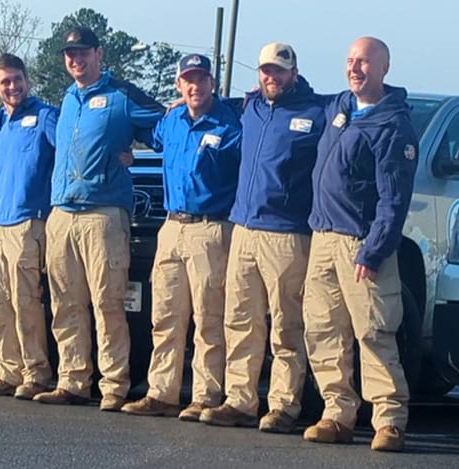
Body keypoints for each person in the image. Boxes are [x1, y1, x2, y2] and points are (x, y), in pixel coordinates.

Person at [32, 26, 165, 411]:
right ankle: (73, 380)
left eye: (84, 52)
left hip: (103, 215)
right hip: (63, 214)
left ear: (99, 54)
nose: (76, 59)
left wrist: (133, 151)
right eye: (70, 54)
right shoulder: (68, 99)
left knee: (108, 304)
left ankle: (113, 384)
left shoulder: (121, 95)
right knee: (65, 303)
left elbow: (164, 127)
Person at [200, 43, 325, 432]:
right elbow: (214, 108)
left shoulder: (315, 112)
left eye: (279, 70)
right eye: (265, 70)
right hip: (244, 230)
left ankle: (284, 407)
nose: (272, 77)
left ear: (294, 71)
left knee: (287, 325)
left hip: (288, 235)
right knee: (240, 320)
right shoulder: (251, 107)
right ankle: (240, 399)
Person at [302, 37, 417, 453]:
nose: (355, 68)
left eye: (364, 62)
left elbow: (394, 199)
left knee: (374, 332)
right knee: (324, 331)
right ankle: (337, 414)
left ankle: (389, 420)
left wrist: (374, 250)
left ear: (384, 68)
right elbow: (294, 98)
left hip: (361, 246)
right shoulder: (340, 108)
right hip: (323, 239)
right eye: (350, 61)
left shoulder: (393, 125)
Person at [121, 54, 241, 419]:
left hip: (211, 227)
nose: (195, 86)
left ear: (212, 83)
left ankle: (205, 396)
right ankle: (162, 392)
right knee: (165, 315)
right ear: (179, 84)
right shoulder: (171, 120)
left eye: (202, 79)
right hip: (171, 226)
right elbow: (149, 134)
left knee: (208, 317)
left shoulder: (230, 124)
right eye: (188, 79)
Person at [0, 53, 57, 400]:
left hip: (27, 222)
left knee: (25, 302)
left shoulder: (45, 116)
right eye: (5, 82)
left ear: (28, 80)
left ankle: (36, 373)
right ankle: (9, 370)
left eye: (17, 79)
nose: (12, 87)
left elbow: (72, 148)